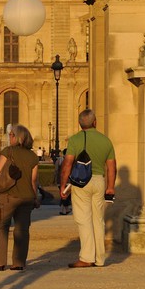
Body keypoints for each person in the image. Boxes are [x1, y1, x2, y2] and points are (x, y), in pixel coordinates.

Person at [58, 108, 116, 268]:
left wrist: (63, 185)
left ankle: (86, 257)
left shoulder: (75, 139)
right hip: (99, 181)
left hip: (81, 182)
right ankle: (100, 259)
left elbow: (68, 163)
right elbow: (111, 167)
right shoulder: (106, 140)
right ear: (95, 122)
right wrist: (110, 187)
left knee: (84, 219)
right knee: (98, 220)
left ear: (79, 123)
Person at [0, 123, 39, 271]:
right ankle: (19, 263)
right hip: (27, 197)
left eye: (11, 135)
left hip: (8, 196)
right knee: (22, 230)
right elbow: (33, 180)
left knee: (1, 227)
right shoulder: (33, 156)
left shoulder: (8, 151)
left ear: (17, 137)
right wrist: (35, 198)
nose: (9, 137)